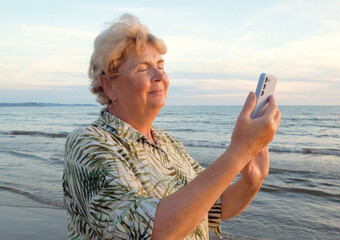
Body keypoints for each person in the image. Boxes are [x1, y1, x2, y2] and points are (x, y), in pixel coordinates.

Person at [62, 14, 281, 240]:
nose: (159, 76)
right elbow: (150, 232)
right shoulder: (89, 143)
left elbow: (215, 205)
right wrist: (240, 152)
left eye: (160, 66)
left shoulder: (168, 143)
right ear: (109, 85)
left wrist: (252, 181)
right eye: (143, 68)